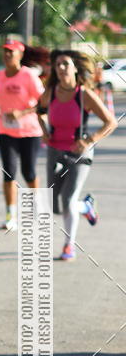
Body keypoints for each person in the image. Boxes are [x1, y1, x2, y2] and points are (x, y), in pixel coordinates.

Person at [38, 49, 116, 261]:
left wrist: (89, 141)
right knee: (56, 204)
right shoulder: (51, 92)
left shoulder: (84, 95)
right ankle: (86, 206)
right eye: (58, 65)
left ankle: (68, 246)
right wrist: (44, 133)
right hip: (55, 150)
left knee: (68, 198)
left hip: (79, 154)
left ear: (74, 69)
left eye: (65, 64)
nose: (61, 68)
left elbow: (111, 122)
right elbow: (39, 111)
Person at [0, 40, 45, 231]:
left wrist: (21, 113)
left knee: (29, 172)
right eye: (5, 52)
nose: (7, 55)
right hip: (6, 131)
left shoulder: (28, 76)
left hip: (30, 131)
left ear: (20, 55)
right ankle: (10, 214)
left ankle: (35, 207)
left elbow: (42, 102)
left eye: (11, 52)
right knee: (9, 173)